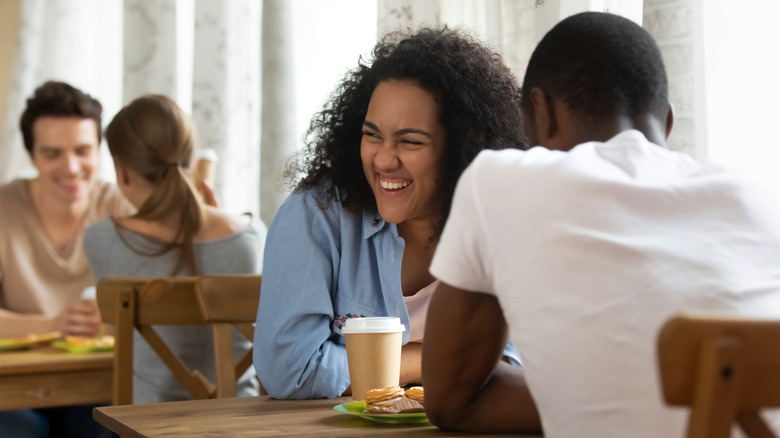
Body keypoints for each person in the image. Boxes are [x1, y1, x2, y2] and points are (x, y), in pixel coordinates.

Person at [423, 11, 780, 437]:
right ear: (667, 122)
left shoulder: (496, 181)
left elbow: (451, 402)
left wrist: (588, 397)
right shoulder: (754, 198)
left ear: (542, 112)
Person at [254, 26, 527, 399]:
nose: (383, 160)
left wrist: (368, 367)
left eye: (409, 141)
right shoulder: (317, 215)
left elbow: (519, 363)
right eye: (371, 135)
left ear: (463, 148)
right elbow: (291, 371)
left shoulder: (500, 223)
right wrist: (437, 358)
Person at [84, 95, 266, 404]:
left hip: (146, 423)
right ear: (194, 162)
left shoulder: (103, 239)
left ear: (121, 171)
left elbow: (123, 335)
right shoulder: (251, 236)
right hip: (238, 418)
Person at [0, 81, 134, 438]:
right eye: (52, 153)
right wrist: (53, 324)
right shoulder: (4, 208)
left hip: (97, 382)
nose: (71, 167)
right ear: (32, 156)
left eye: (83, 150)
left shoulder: (121, 205)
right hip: (14, 386)